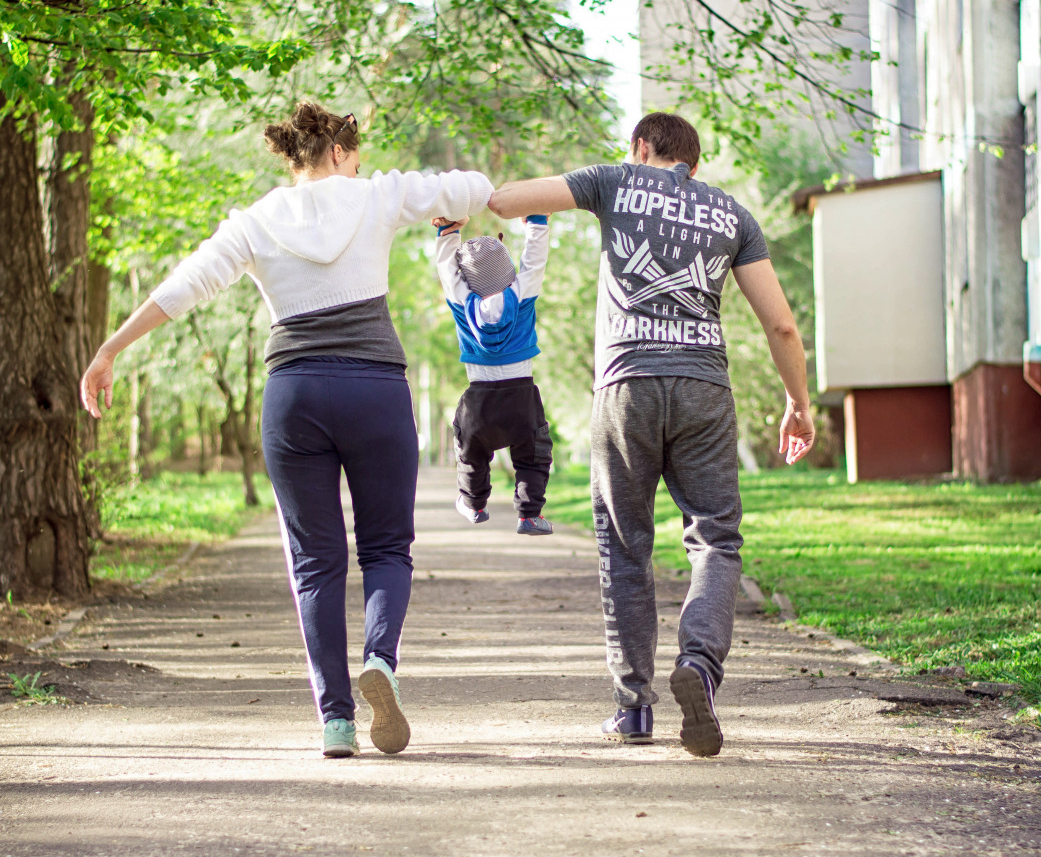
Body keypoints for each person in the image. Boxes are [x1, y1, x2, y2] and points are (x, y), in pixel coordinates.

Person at [80, 101, 493, 759]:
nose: (363, 167)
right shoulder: (378, 195)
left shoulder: (257, 221)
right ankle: (380, 663)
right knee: (386, 549)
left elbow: (185, 285)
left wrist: (109, 349)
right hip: (375, 392)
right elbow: (474, 187)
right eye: (357, 157)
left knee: (315, 565)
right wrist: (457, 213)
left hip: (295, 396)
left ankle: (335, 721)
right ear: (338, 152)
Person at [487, 112, 815, 757]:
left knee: (625, 543)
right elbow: (781, 327)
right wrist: (798, 403)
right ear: (695, 163)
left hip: (626, 387)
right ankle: (699, 667)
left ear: (641, 147)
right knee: (716, 540)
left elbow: (505, 201)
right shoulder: (732, 215)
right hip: (704, 392)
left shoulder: (616, 180)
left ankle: (634, 710)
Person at [430, 213, 555, 534]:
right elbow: (535, 261)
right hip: (521, 396)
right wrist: (537, 221)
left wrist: (448, 232)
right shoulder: (522, 293)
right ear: (508, 271)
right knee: (533, 455)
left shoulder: (462, 301)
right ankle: (529, 515)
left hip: (480, 398)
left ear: (468, 279)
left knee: (470, 453)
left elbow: (447, 270)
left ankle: (473, 504)